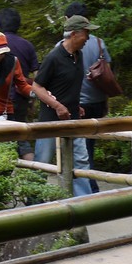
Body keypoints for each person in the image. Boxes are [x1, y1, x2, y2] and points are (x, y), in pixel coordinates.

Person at [31, 14, 97, 197]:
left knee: (81, 160)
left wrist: (76, 104)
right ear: (74, 34)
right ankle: (33, 201)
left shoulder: (78, 55)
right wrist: (57, 106)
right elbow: (37, 86)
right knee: (43, 161)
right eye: (86, 33)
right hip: (50, 120)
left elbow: (68, 85)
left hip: (73, 117)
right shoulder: (54, 57)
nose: (88, 38)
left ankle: (82, 200)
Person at [65, 2, 111, 193]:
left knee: (79, 149)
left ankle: (87, 186)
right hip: (97, 100)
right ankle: (89, 184)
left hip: (78, 103)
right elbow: (107, 71)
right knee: (88, 145)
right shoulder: (99, 42)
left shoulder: (64, 46)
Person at [0, 8, 40, 160]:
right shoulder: (27, 45)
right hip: (21, 97)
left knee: (1, 138)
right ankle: (31, 169)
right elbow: (37, 75)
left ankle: (9, 171)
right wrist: (33, 99)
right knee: (22, 136)